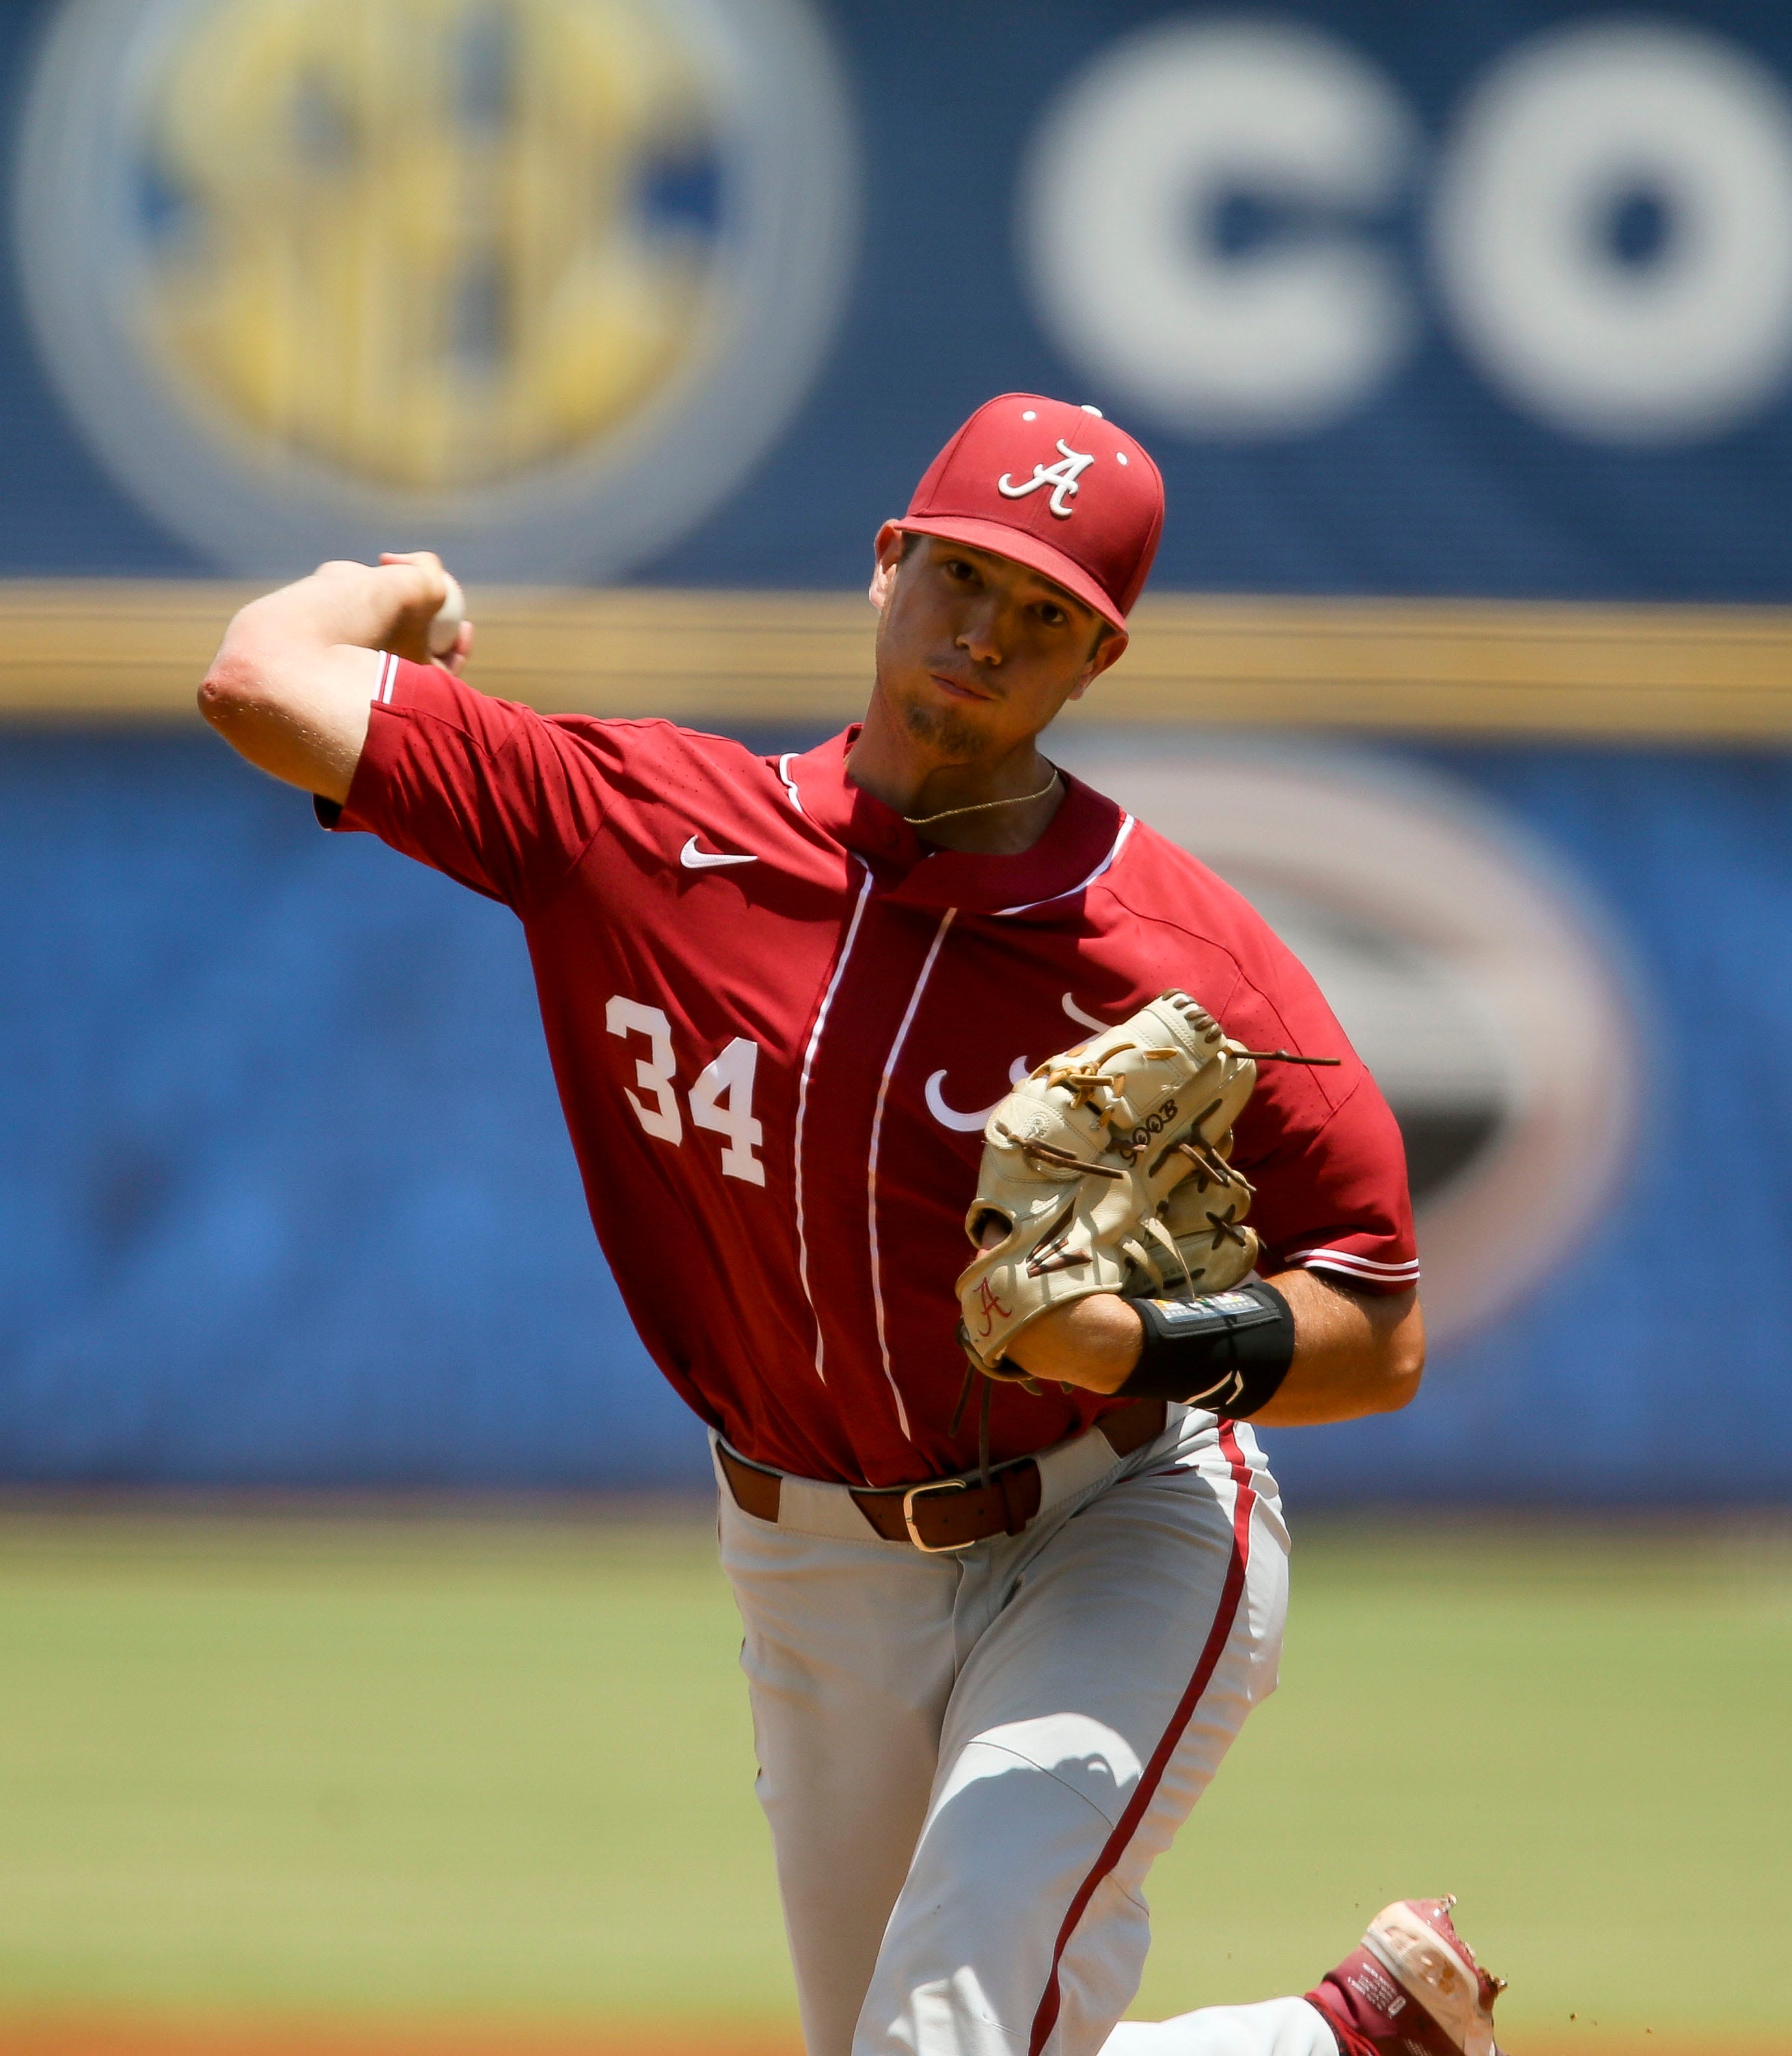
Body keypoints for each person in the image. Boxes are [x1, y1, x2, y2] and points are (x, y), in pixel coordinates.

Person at [198, 394, 1506, 2056]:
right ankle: (1343, 2041)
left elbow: (1380, 1327)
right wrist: (395, 590)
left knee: (938, 2030)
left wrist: (1141, 1342)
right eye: (964, 575)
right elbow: (256, 679)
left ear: (1098, 659)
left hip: (1115, 1524)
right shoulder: (640, 830)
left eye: (1045, 614)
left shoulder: (1181, 958)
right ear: (888, 562)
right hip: (810, 1562)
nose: (987, 634)